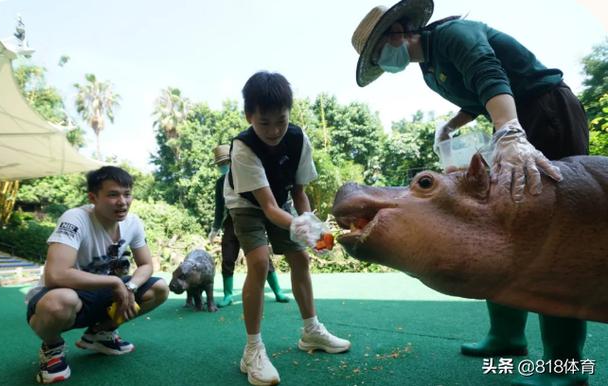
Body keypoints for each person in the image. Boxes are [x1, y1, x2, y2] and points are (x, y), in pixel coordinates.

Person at [352, 1, 589, 386]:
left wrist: (509, 131)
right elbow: (474, 98)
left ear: (396, 33)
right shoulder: (429, 68)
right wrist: (451, 124)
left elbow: (489, 75)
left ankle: (565, 365)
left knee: (552, 231)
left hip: (544, 111)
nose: (385, 62)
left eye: (379, 53)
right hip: (506, 119)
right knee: (500, 225)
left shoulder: (453, 36)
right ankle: (507, 335)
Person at [225, 71, 351, 385]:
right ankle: (252, 349)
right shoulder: (242, 148)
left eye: (280, 120)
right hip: (246, 204)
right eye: (264, 122)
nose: (274, 130)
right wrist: (301, 224)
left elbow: (298, 193)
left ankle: (312, 332)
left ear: (289, 114)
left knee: (301, 258)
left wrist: (309, 224)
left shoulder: (297, 138)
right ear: (249, 116)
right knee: (258, 262)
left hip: (281, 202)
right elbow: (266, 208)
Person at [25, 166, 169, 384]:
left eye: (127, 194)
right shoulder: (75, 218)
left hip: (103, 293)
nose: (122, 201)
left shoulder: (133, 223)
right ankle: (52, 347)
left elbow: (146, 264)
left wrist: (130, 286)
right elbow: (55, 274)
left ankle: (100, 334)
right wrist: (114, 282)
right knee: (60, 302)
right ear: (93, 197)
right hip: (64, 294)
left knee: (159, 289)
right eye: (113, 194)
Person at [209, 145, 289, 307]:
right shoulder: (219, 183)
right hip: (231, 222)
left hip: (250, 219)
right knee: (228, 256)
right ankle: (228, 295)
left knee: (262, 255)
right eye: (220, 164)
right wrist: (215, 228)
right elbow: (219, 207)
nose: (223, 166)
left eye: (225, 162)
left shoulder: (246, 174)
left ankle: (277, 291)